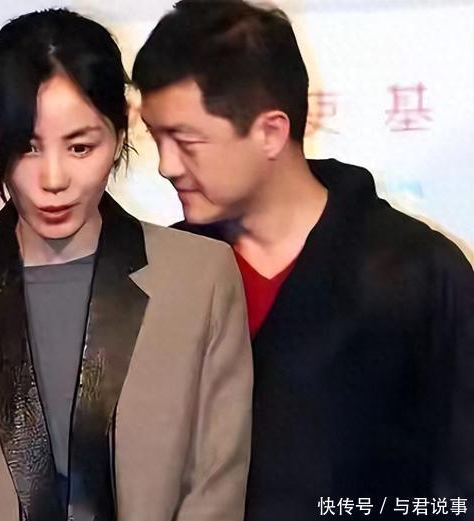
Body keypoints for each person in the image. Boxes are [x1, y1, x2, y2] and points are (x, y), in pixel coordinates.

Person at [0, 9, 252, 521]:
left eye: (80, 147)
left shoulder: (201, 278)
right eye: (27, 147)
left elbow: (216, 485)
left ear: (119, 134)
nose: (53, 179)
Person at [132, 1, 474, 519]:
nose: (166, 165)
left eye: (186, 141)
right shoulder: (159, 275)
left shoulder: (418, 272)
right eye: (156, 137)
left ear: (271, 131)